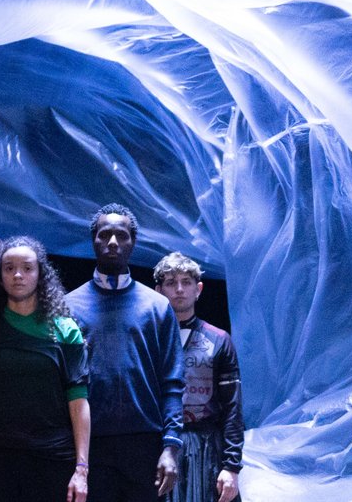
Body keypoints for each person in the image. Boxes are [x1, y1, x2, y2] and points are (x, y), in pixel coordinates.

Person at [65, 203, 184, 502]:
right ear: (93, 241)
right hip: (86, 447)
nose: (113, 242)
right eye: (105, 235)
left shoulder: (157, 306)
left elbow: (172, 383)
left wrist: (170, 447)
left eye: (122, 235)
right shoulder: (68, 307)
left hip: (145, 445)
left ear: (133, 242)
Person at [0, 237, 90, 502]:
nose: (18, 275)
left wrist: (81, 469)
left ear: (40, 274)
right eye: (9, 268)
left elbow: (78, 401)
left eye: (27, 268)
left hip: (53, 460)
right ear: (0, 277)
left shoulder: (65, 330)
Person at [153, 253, 242, 502]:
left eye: (186, 282)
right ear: (159, 290)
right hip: (160, 447)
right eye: (171, 283)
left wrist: (232, 465)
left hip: (207, 449)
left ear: (198, 288)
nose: (179, 289)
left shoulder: (218, 339)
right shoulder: (148, 339)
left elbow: (233, 406)